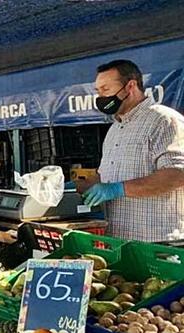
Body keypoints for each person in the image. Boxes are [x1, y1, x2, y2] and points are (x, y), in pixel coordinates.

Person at [78, 59, 184, 241]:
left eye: (106, 90)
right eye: (98, 91)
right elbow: (105, 178)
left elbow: (177, 174)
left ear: (130, 86)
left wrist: (119, 189)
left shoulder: (163, 120)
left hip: (158, 242)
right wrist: (65, 188)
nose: (101, 98)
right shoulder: (114, 129)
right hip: (118, 240)